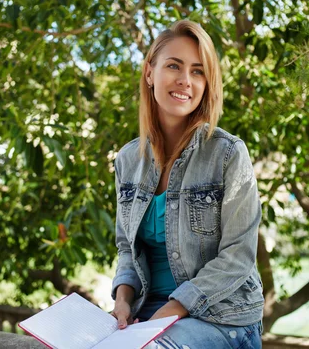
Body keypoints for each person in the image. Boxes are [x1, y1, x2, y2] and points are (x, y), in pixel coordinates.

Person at [110, 20, 264, 349]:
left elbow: (238, 256)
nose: (185, 80)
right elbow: (127, 248)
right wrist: (122, 300)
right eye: (174, 66)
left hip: (220, 317)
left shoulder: (228, 154)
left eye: (198, 71)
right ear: (149, 72)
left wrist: (172, 311)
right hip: (148, 314)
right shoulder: (127, 160)